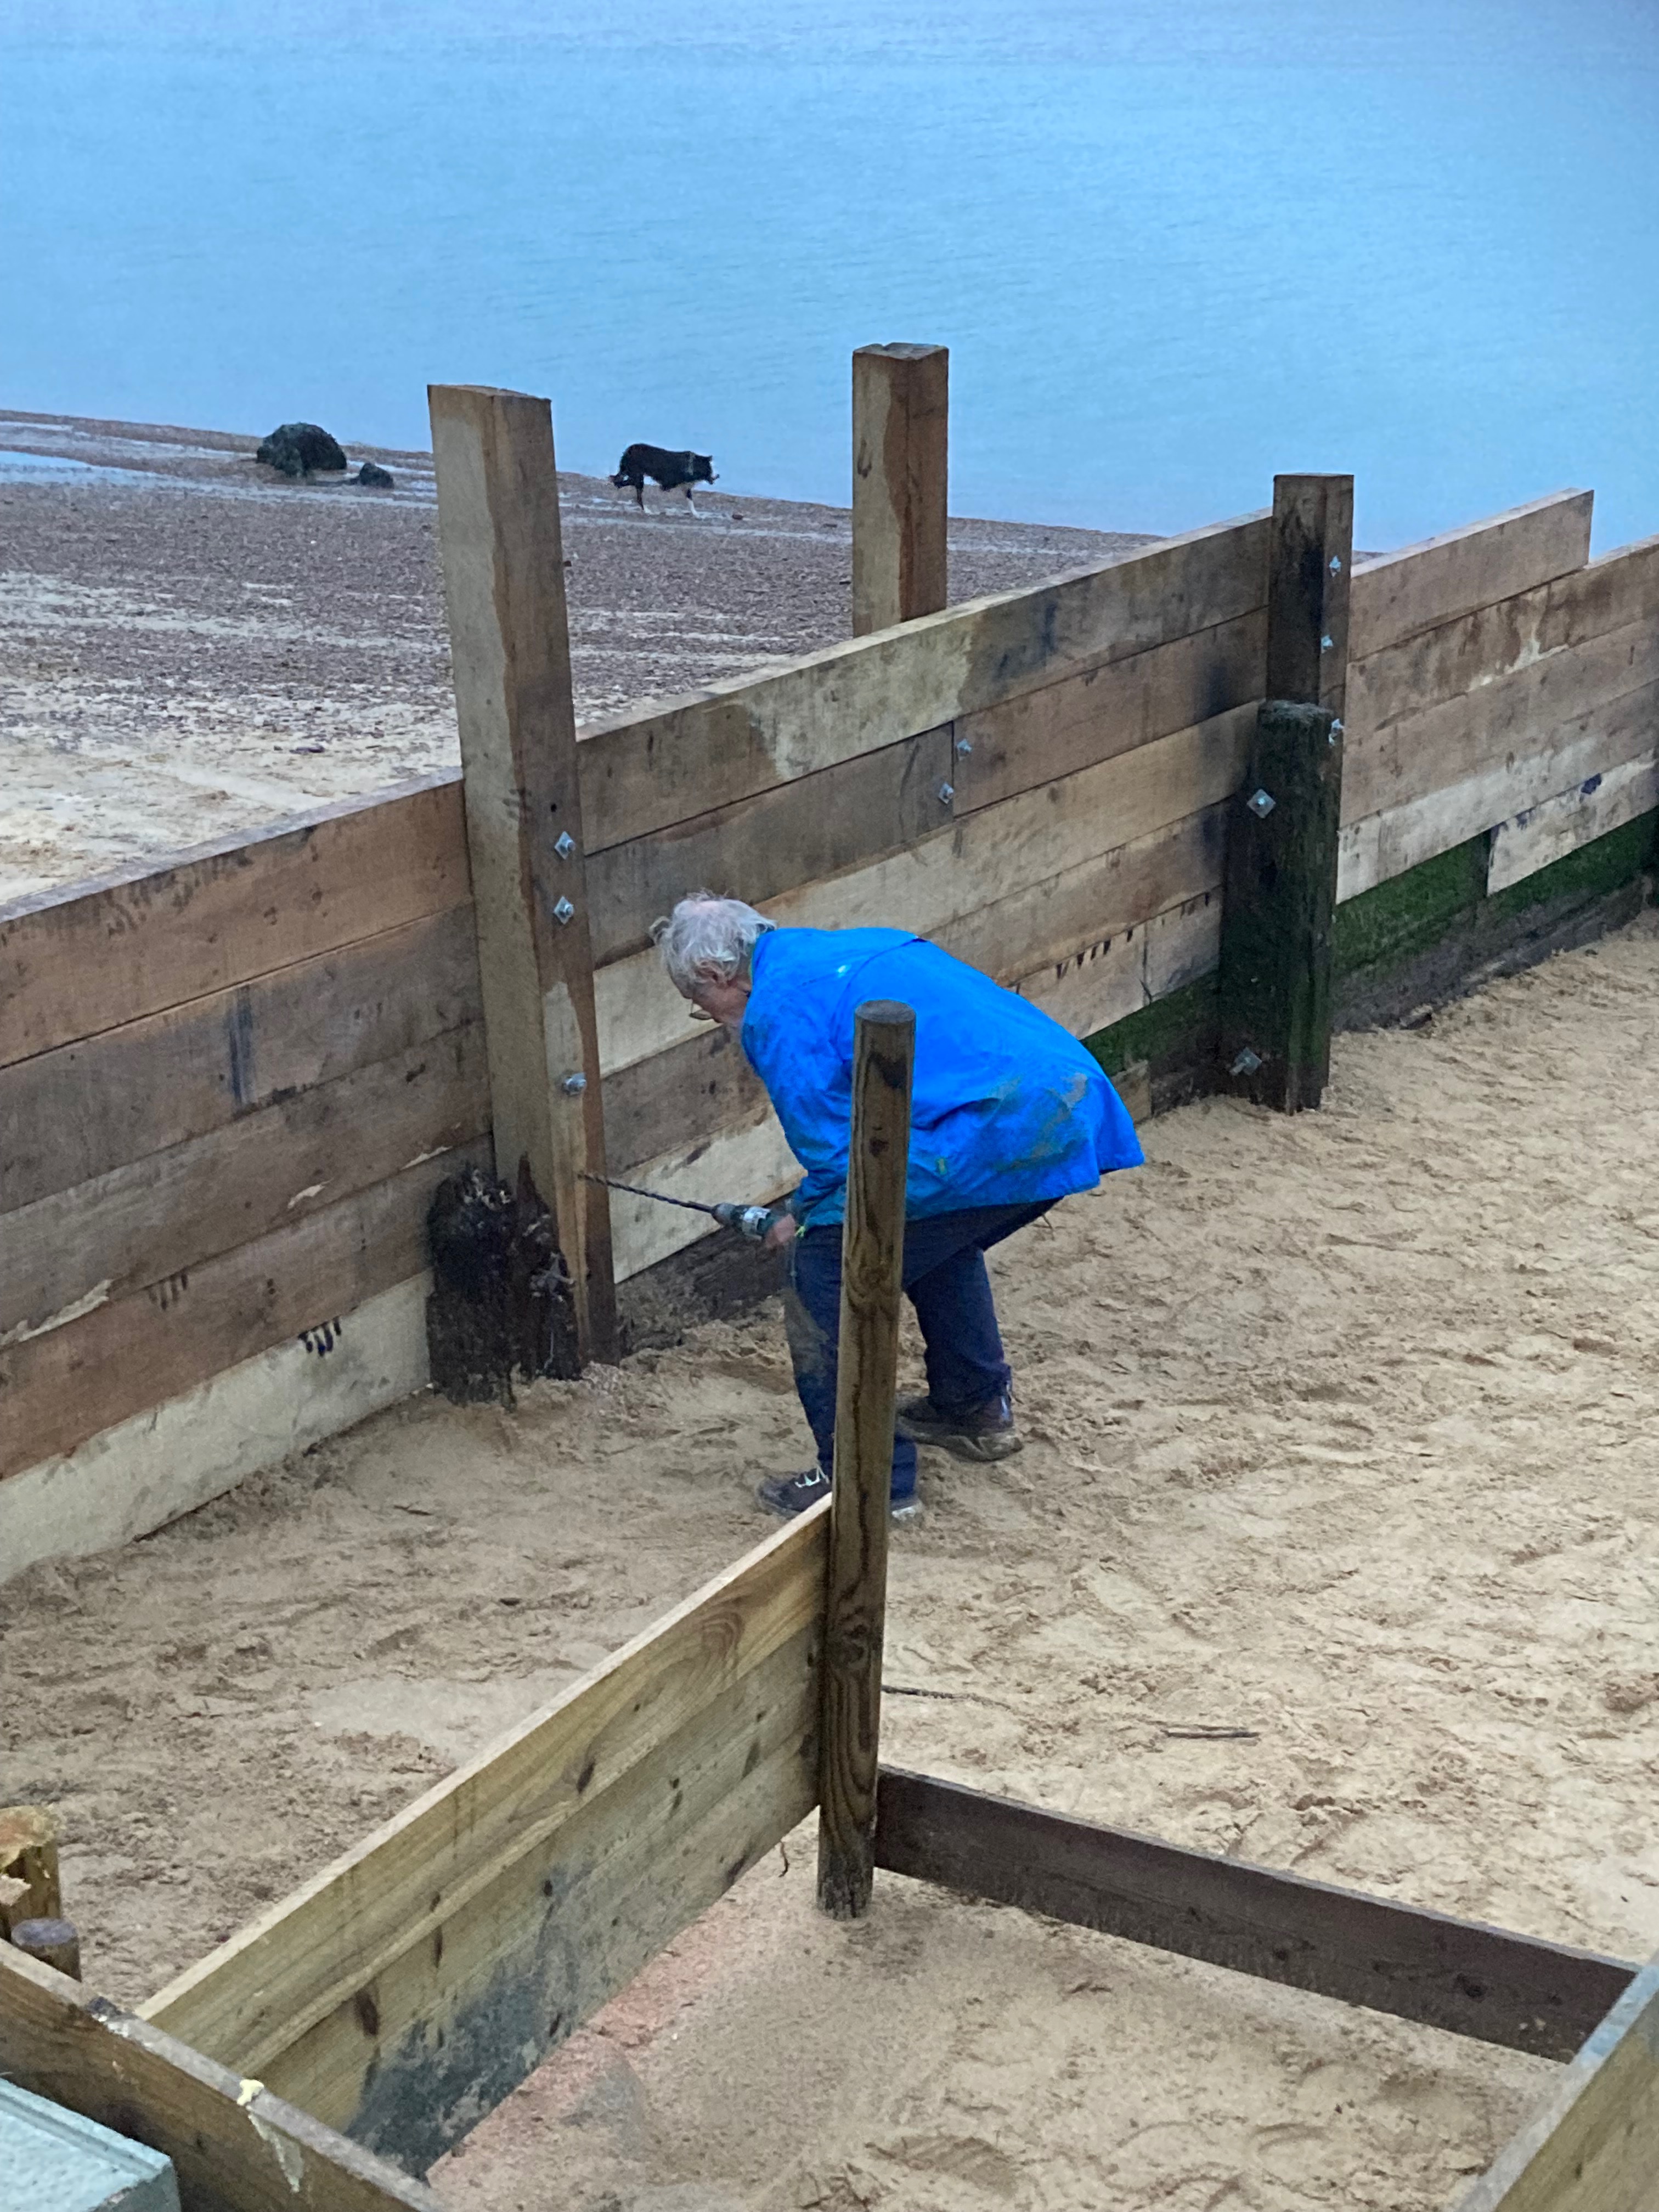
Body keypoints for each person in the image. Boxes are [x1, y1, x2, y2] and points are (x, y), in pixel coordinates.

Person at [651, 894, 1144, 1519]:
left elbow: (839, 1159)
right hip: (1066, 1102)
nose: (712, 1017)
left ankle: (867, 1478)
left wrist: (799, 1217)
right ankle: (972, 1406)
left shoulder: (777, 1007)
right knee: (928, 1230)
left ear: (717, 974)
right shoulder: (846, 946)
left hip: (1001, 1126)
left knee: (821, 1267)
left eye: (700, 1004)